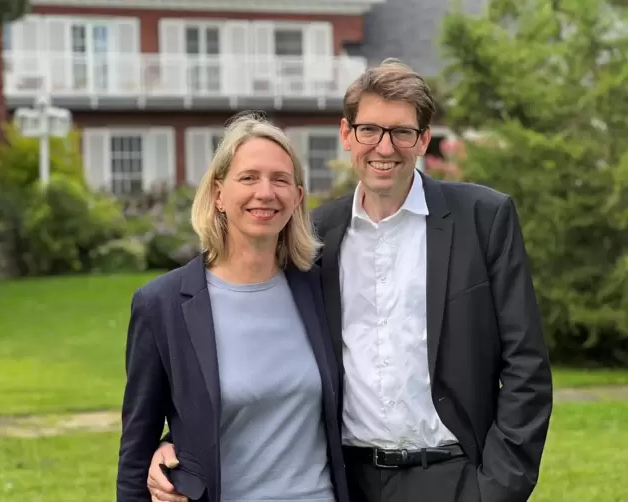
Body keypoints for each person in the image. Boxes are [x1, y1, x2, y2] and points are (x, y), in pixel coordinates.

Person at [146, 59, 554, 502]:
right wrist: (177, 442)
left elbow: (526, 367)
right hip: (347, 481)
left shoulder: (483, 219)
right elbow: (256, 349)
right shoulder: (313, 239)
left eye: (401, 132)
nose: (385, 147)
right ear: (346, 134)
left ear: (422, 139)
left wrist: (497, 489)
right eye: (369, 130)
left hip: (455, 476)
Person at [117, 113, 349, 502]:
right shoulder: (163, 306)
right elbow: (136, 454)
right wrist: (171, 446)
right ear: (218, 194)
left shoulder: (322, 290)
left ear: (297, 197)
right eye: (248, 177)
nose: (265, 192)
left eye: (280, 179)